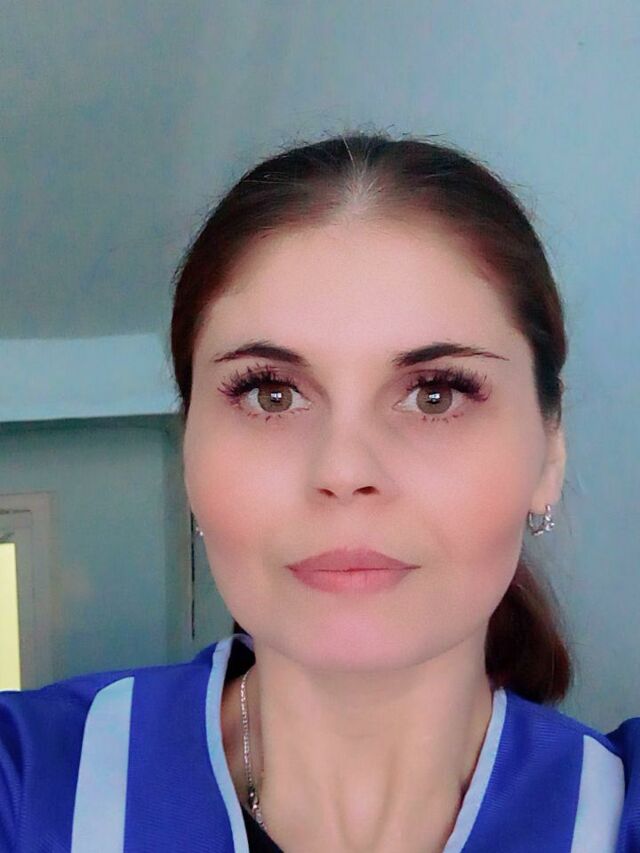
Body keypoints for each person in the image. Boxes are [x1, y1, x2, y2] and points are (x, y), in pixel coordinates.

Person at [1, 131, 638, 853]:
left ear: (549, 449)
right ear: (190, 449)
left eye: (435, 394)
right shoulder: (28, 785)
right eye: (271, 394)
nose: (342, 468)